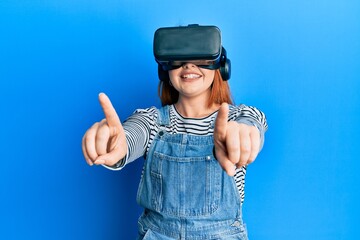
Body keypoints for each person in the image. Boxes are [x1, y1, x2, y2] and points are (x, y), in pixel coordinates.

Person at [82, 24, 268, 240]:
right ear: (164, 69)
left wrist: (244, 135)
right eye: (177, 59)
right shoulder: (151, 121)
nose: (188, 65)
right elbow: (130, 136)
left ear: (221, 65)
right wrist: (115, 143)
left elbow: (253, 125)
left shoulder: (237, 118)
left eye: (200, 57)